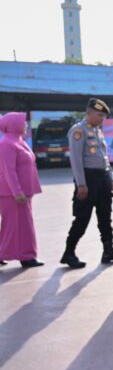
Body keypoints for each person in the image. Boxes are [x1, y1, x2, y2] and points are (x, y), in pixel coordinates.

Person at [61, 98, 113, 268]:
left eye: (104, 116)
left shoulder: (98, 131)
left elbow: (104, 158)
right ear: (89, 113)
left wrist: (111, 179)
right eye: (99, 115)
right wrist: (81, 184)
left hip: (102, 179)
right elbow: (76, 160)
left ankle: (108, 250)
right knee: (82, 218)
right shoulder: (78, 131)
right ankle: (69, 253)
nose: (102, 119)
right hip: (88, 180)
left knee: (105, 216)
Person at [0, 112, 43, 267]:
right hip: (13, 193)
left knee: (15, 225)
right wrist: (17, 192)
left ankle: (3, 253)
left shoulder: (18, 141)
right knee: (20, 225)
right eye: (22, 123)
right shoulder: (7, 144)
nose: (25, 125)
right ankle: (26, 256)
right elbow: (8, 170)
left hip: (23, 191)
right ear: (13, 125)